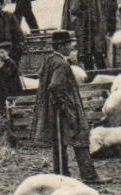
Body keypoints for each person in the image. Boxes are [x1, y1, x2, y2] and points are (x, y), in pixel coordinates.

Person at [33, 30, 98, 182]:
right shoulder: (61, 64)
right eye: (69, 44)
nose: (71, 47)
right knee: (81, 135)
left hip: (53, 110)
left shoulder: (50, 60)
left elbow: (42, 77)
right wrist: (62, 104)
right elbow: (55, 86)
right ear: (61, 46)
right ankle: (89, 175)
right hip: (66, 108)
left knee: (59, 142)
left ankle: (61, 174)